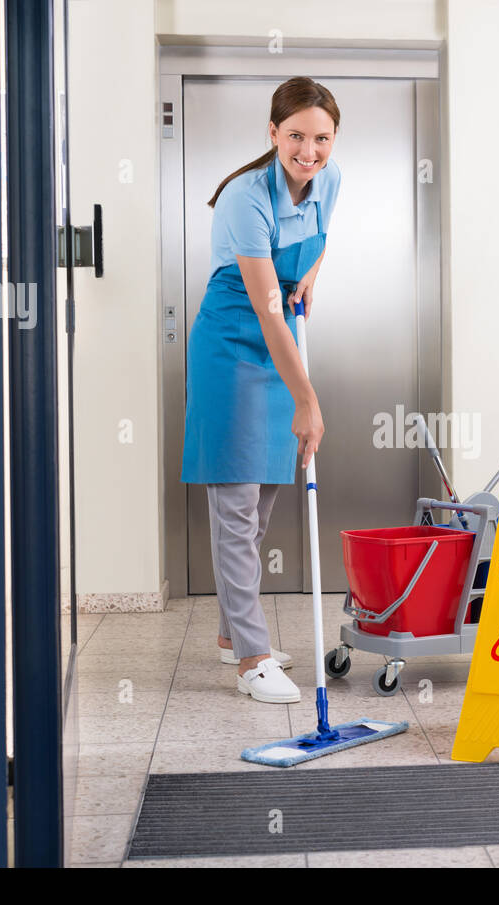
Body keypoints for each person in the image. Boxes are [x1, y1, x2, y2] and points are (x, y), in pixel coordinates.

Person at [180, 77, 341, 704]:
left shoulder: (329, 181)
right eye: (296, 135)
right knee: (236, 502)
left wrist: (309, 278)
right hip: (233, 342)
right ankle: (251, 657)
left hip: (281, 333)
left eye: (321, 138)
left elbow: (315, 252)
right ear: (273, 133)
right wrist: (307, 397)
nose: (309, 149)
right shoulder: (245, 200)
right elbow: (265, 305)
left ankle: (229, 632)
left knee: (266, 496)